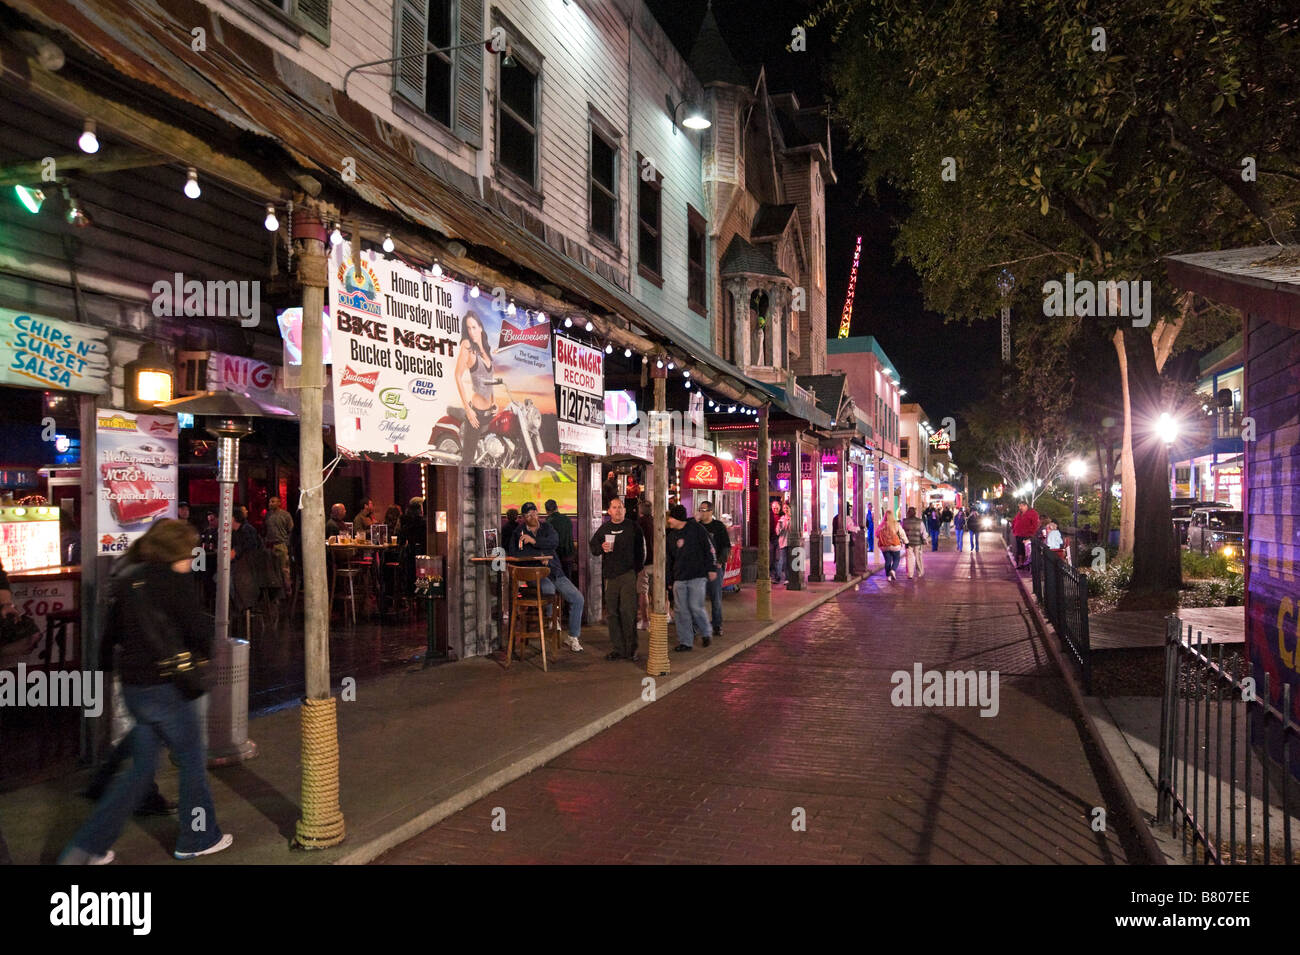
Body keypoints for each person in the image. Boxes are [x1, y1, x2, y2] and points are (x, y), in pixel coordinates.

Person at [58, 520, 231, 864]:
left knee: (139, 773)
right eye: (190, 551)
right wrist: (208, 653)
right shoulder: (174, 580)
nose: (192, 557)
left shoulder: (128, 579)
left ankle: (86, 849)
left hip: (135, 688)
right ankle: (198, 836)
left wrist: (106, 672)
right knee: (192, 761)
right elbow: (197, 629)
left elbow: (109, 637)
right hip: (167, 687)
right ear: (178, 551)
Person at [510, 502, 584, 652]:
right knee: (548, 588)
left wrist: (534, 542)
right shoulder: (519, 532)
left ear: (538, 513)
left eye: (534, 513)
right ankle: (552, 619)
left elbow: (554, 542)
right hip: (536, 574)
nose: (532, 517)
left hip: (555, 572)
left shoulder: (547, 527)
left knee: (578, 598)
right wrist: (539, 556)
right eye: (528, 515)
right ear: (523, 517)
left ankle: (572, 637)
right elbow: (516, 553)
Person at [589, 497, 644, 661]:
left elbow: (641, 550)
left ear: (625, 510)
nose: (618, 510)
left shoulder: (633, 527)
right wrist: (601, 548)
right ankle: (618, 648)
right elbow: (594, 547)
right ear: (609, 511)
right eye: (614, 507)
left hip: (628, 574)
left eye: (620, 507)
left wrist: (637, 570)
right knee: (612, 614)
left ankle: (631, 648)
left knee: (628, 612)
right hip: (610, 576)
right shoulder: (604, 529)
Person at [665, 503, 715, 652]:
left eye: (671, 518)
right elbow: (669, 559)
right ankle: (686, 641)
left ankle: (706, 632)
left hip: (697, 576)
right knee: (681, 611)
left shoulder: (697, 529)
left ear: (678, 518)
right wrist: (669, 580)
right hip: (679, 578)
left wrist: (711, 568)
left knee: (695, 606)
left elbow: (709, 549)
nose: (669, 521)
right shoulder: (671, 536)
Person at [454, 310, 497, 466]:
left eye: (474, 327)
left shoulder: (485, 350)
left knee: (493, 456)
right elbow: (457, 375)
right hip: (476, 414)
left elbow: (489, 380)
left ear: (480, 327)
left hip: (489, 413)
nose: (471, 331)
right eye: (468, 328)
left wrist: (494, 401)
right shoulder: (467, 346)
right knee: (468, 460)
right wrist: (468, 409)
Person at [696, 500, 731, 637]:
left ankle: (717, 625)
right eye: (700, 509)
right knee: (698, 598)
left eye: (704, 510)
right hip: (700, 568)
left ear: (711, 511)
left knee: (715, 598)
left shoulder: (718, 526)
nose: (702, 512)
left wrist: (720, 561)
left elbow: (726, 545)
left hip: (715, 567)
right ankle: (700, 624)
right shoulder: (697, 527)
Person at [264, 496, 294, 591]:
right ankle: (276, 590)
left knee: (284, 569)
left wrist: (287, 543)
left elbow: (291, 530)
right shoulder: (268, 515)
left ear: (279, 503)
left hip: (281, 544)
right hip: (270, 545)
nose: (270, 504)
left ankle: (287, 589)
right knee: (272, 569)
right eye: (270, 502)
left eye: (273, 501)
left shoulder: (285, 515)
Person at [545, 500, 575, 582]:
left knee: (556, 580)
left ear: (547, 511)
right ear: (557, 507)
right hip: (568, 554)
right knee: (567, 580)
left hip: (556, 556)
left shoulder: (548, 522)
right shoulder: (567, 519)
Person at [637, 500, 654, 630]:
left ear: (640, 510)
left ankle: (645, 620)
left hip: (644, 562)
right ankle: (663, 615)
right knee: (659, 591)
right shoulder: (656, 521)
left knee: (643, 592)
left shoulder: (639, 524)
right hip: (657, 562)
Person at [876, 511, 904, 581]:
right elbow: (902, 533)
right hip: (895, 545)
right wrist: (906, 541)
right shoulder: (896, 524)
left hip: (884, 546)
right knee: (896, 559)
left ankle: (888, 576)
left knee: (887, 560)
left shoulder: (881, 525)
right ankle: (893, 570)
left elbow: (876, 534)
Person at [1011, 501, 1040, 568]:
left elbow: (1035, 524)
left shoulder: (1033, 513)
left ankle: (1025, 564)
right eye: (1019, 506)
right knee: (1019, 549)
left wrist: (1031, 533)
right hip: (1018, 534)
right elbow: (1015, 521)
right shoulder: (1019, 513)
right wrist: (1014, 528)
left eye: (1021, 506)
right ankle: (1020, 563)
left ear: (1026, 506)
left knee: (1026, 550)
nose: (1020, 508)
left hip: (1027, 535)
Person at [901, 506, 928, 579]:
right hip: (917, 542)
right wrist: (925, 539)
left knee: (909, 558)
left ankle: (910, 574)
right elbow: (923, 532)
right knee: (918, 558)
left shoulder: (904, 521)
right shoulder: (920, 521)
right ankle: (920, 572)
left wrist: (902, 540)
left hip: (908, 542)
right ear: (915, 513)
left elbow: (902, 532)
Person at [775, 501, 791, 584]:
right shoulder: (781, 519)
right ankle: (785, 578)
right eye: (784, 508)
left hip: (791, 543)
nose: (785, 509)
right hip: (783, 542)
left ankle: (790, 577)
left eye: (787, 508)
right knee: (784, 560)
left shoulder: (793, 519)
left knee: (790, 561)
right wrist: (781, 527)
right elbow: (777, 532)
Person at [768, 498, 782, 581]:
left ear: (779, 507)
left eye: (777, 508)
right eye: (773, 508)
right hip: (771, 539)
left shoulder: (782, 516)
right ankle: (772, 575)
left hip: (779, 539)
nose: (775, 509)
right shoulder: (769, 515)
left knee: (778, 558)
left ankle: (778, 575)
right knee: (771, 558)